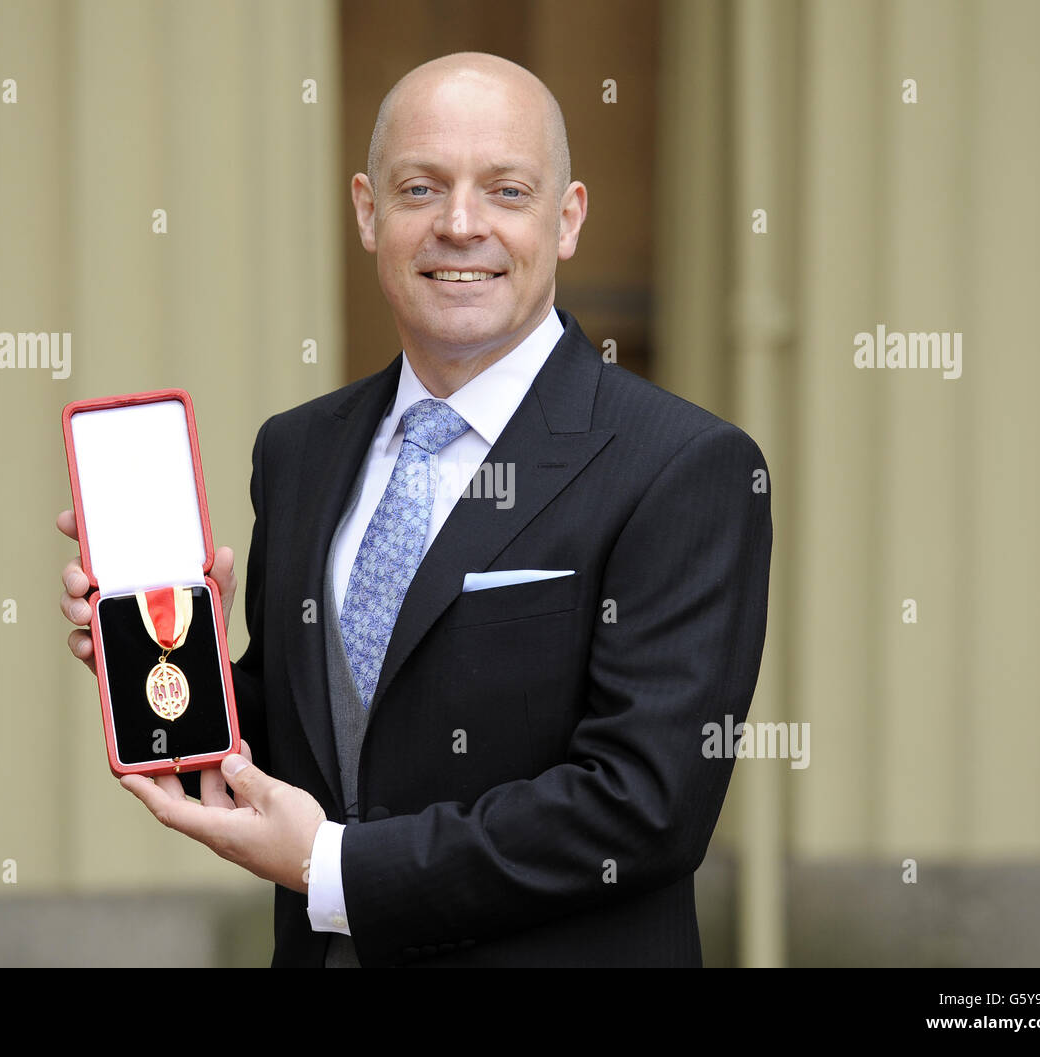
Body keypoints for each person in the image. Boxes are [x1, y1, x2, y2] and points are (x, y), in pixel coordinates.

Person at [58, 52, 772, 967]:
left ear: (568, 218)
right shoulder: (299, 451)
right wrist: (170, 668)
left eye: (507, 190)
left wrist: (335, 867)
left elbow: (643, 806)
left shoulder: (681, 466)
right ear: (367, 210)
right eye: (421, 187)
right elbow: (319, 757)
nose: (460, 225)